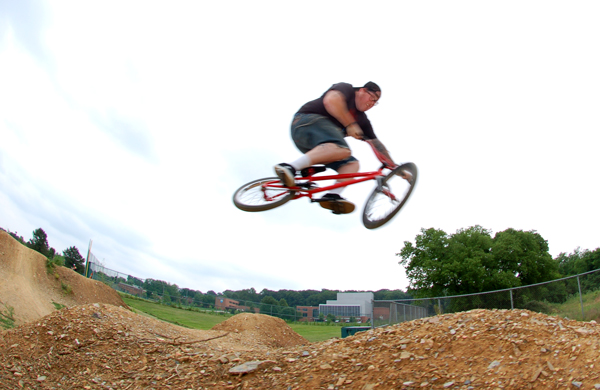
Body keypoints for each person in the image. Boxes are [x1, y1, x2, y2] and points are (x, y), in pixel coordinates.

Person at [274, 81, 396, 215]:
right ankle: (290, 167)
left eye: (375, 102)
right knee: (342, 149)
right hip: (305, 122)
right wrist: (350, 124)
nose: (372, 103)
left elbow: (376, 145)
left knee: (351, 164)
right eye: (372, 98)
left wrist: (396, 168)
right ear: (362, 90)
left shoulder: (363, 121)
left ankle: (332, 196)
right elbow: (331, 101)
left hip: (317, 145)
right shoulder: (346, 89)